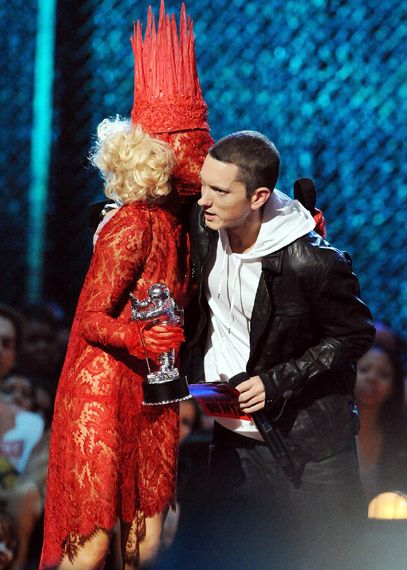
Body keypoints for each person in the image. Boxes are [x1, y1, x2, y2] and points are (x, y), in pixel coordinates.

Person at [41, 3, 213, 568]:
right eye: (193, 140)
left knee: (151, 547)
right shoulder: (134, 223)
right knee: (90, 552)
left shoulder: (186, 226)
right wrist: (140, 340)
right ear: (161, 152)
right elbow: (90, 318)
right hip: (102, 390)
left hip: (154, 393)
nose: (204, 150)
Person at [184, 130, 376, 570]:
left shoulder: (312, 261)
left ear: (259, 197)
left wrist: (277, 382)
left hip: (308, 446)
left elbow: (355, 334)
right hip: (232, 436)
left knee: (331, 560)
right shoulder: (206, 229)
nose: (203, 201)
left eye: (219, 190)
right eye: (203, 185)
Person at [355, 341, 407, 500]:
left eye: (383, 374)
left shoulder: (400, 438)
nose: (372, 378)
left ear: (394, 386)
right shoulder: (329, 432)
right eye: (364, 369)